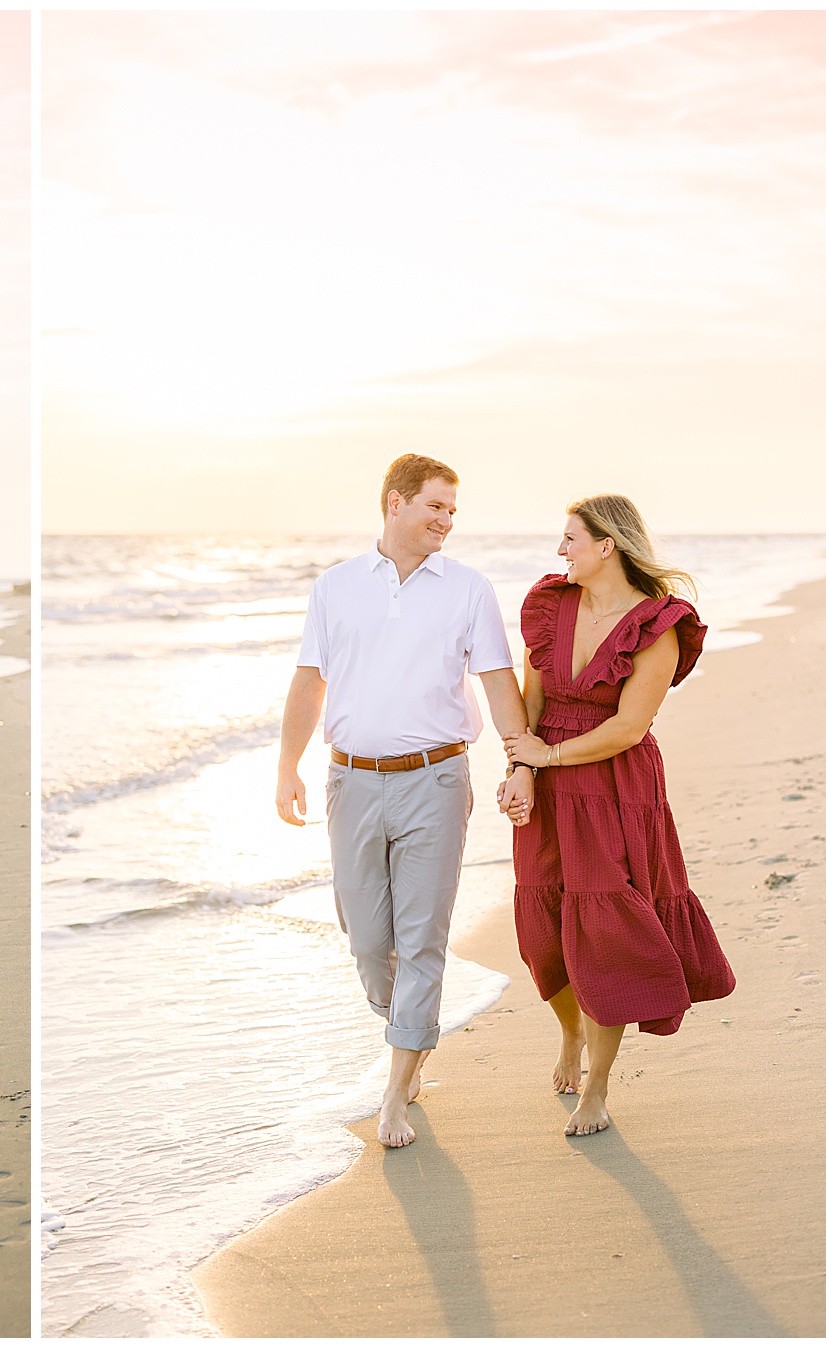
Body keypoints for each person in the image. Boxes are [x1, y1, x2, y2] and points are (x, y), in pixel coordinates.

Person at [276, 454, 535, 1148]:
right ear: (396, 502)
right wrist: (286, 766)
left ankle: (395, 1092)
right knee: (367, 942)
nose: (446, 521)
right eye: (435, 506)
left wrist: (521, 763)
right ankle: (410, 1034)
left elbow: (498, 683)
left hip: (437, 780)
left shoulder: (468, 589)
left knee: (422, 939)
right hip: (350, 780)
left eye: (453, 510)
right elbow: (309, 681)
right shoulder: (335, 587)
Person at [503, 494, 735, 1137]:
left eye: (570, 538)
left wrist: (548, 756)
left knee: (603, 934)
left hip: (612, 785)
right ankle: (571, 1033)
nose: (560, 550)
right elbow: (531, 699)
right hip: (547, 780)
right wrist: (522, 768)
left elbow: (629, 728)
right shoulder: (551, 605)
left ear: (607, 545)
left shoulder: (659, 625)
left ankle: (598, 1088)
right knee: (544, 931)